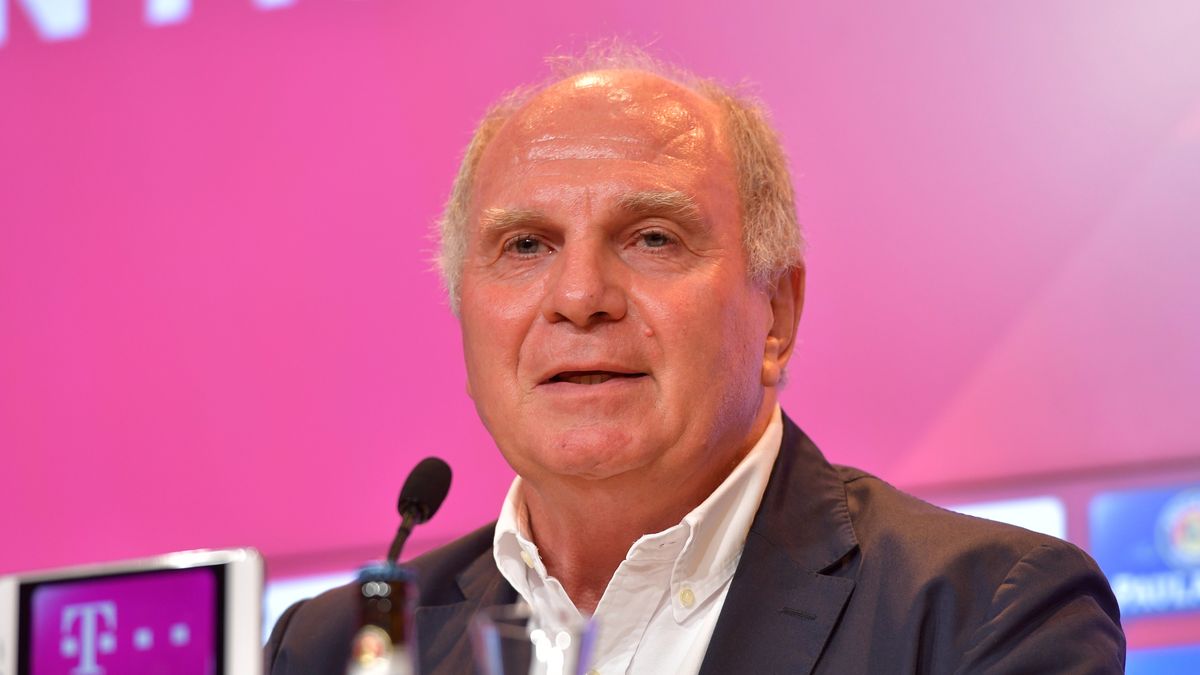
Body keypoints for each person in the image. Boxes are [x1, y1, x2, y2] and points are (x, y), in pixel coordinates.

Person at [265, 49, 1125, 674]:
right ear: (465, 314)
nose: (579, 296)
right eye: (525, 245)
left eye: (651, 238)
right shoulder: (333, 646)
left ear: (777, 314)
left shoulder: (983, 616)